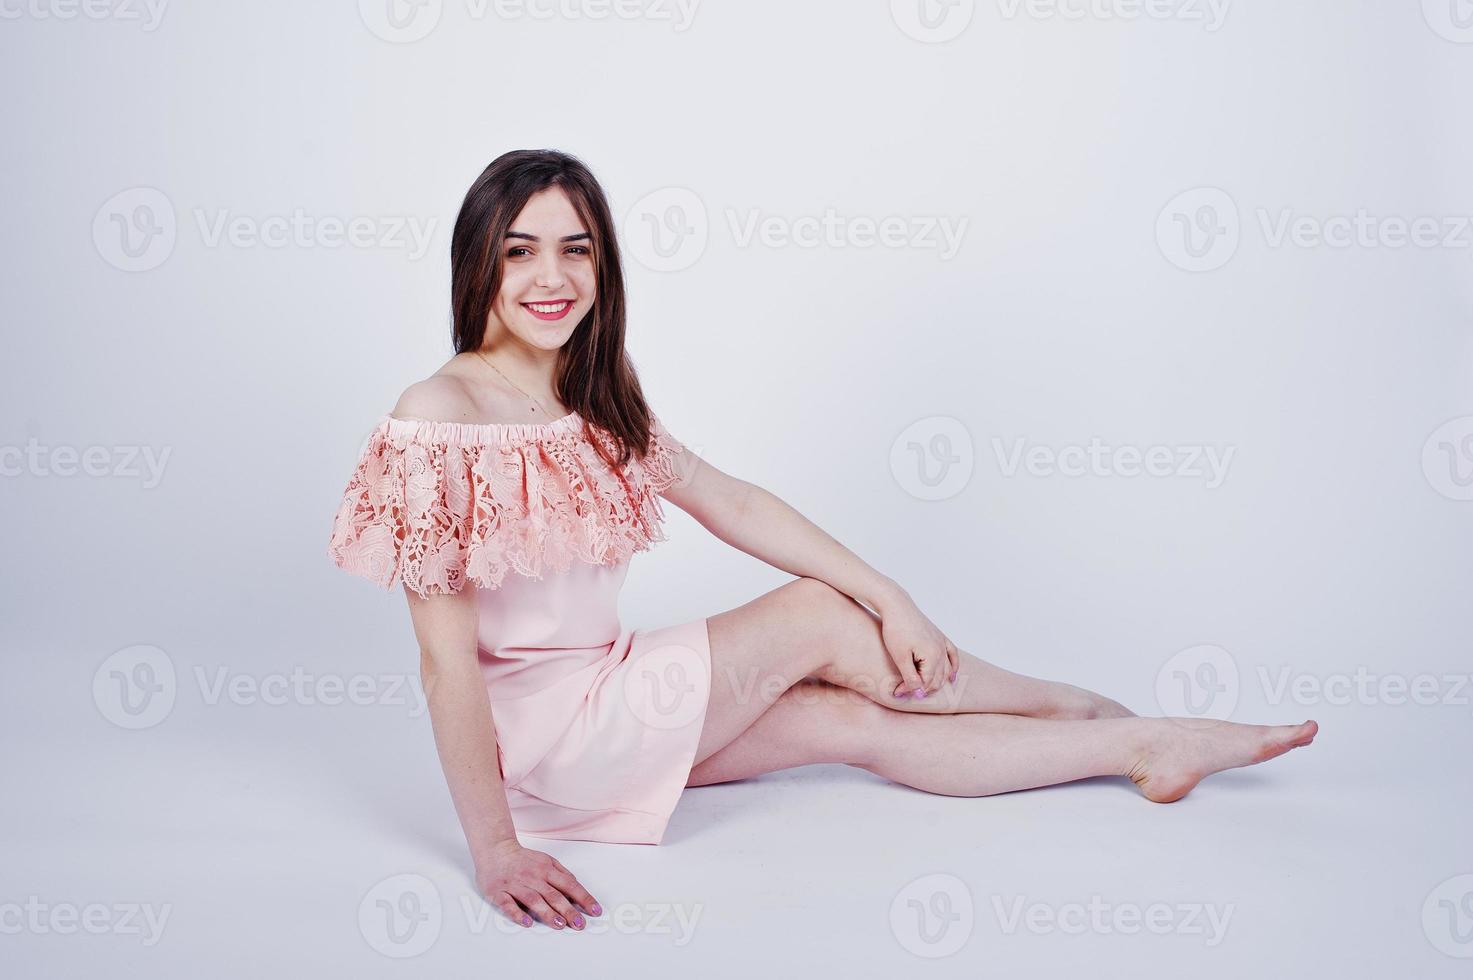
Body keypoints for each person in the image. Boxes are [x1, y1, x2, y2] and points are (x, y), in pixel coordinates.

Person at [326, 148, 1318, 935]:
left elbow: (732, 500)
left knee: (851, 726)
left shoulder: (587, 393)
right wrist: (493, 846)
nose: (553, 276)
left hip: (610, 696)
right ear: (478, 261)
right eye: (521, 249)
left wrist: (892, 591)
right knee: (816, 614)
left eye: (576, 248)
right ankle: (1068, 699)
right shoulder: (438, 412)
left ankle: (1138, 743)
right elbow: (443, 660)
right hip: (546, 740)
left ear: (603, 263)